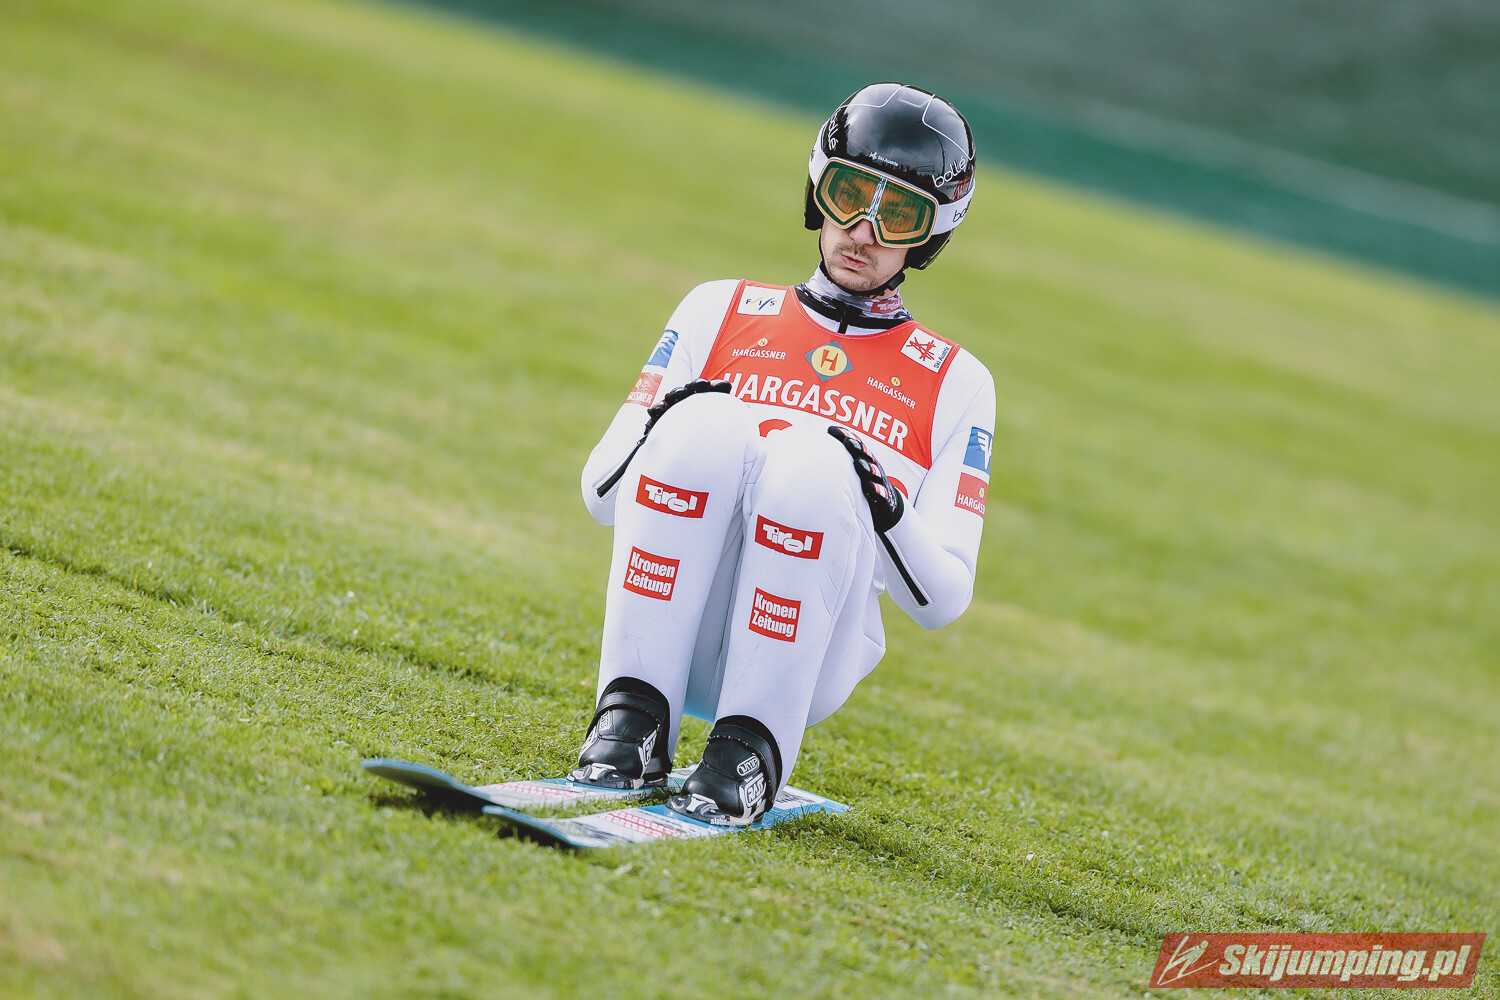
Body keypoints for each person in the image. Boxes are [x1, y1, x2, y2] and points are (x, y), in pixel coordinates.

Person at [571, 82, 995, 827]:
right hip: (673, 626)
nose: (862, 231)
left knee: (815, 462)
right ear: (816, 190)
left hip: (808, 658)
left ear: (931, 233)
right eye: (848, 195)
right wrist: (659, 426)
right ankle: (631, 720)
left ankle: (748, 751)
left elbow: (944, 600)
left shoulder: (955, 379)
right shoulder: (719, 307)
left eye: (897, 213)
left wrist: (885, 506)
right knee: (706, 425)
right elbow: (600, 496)